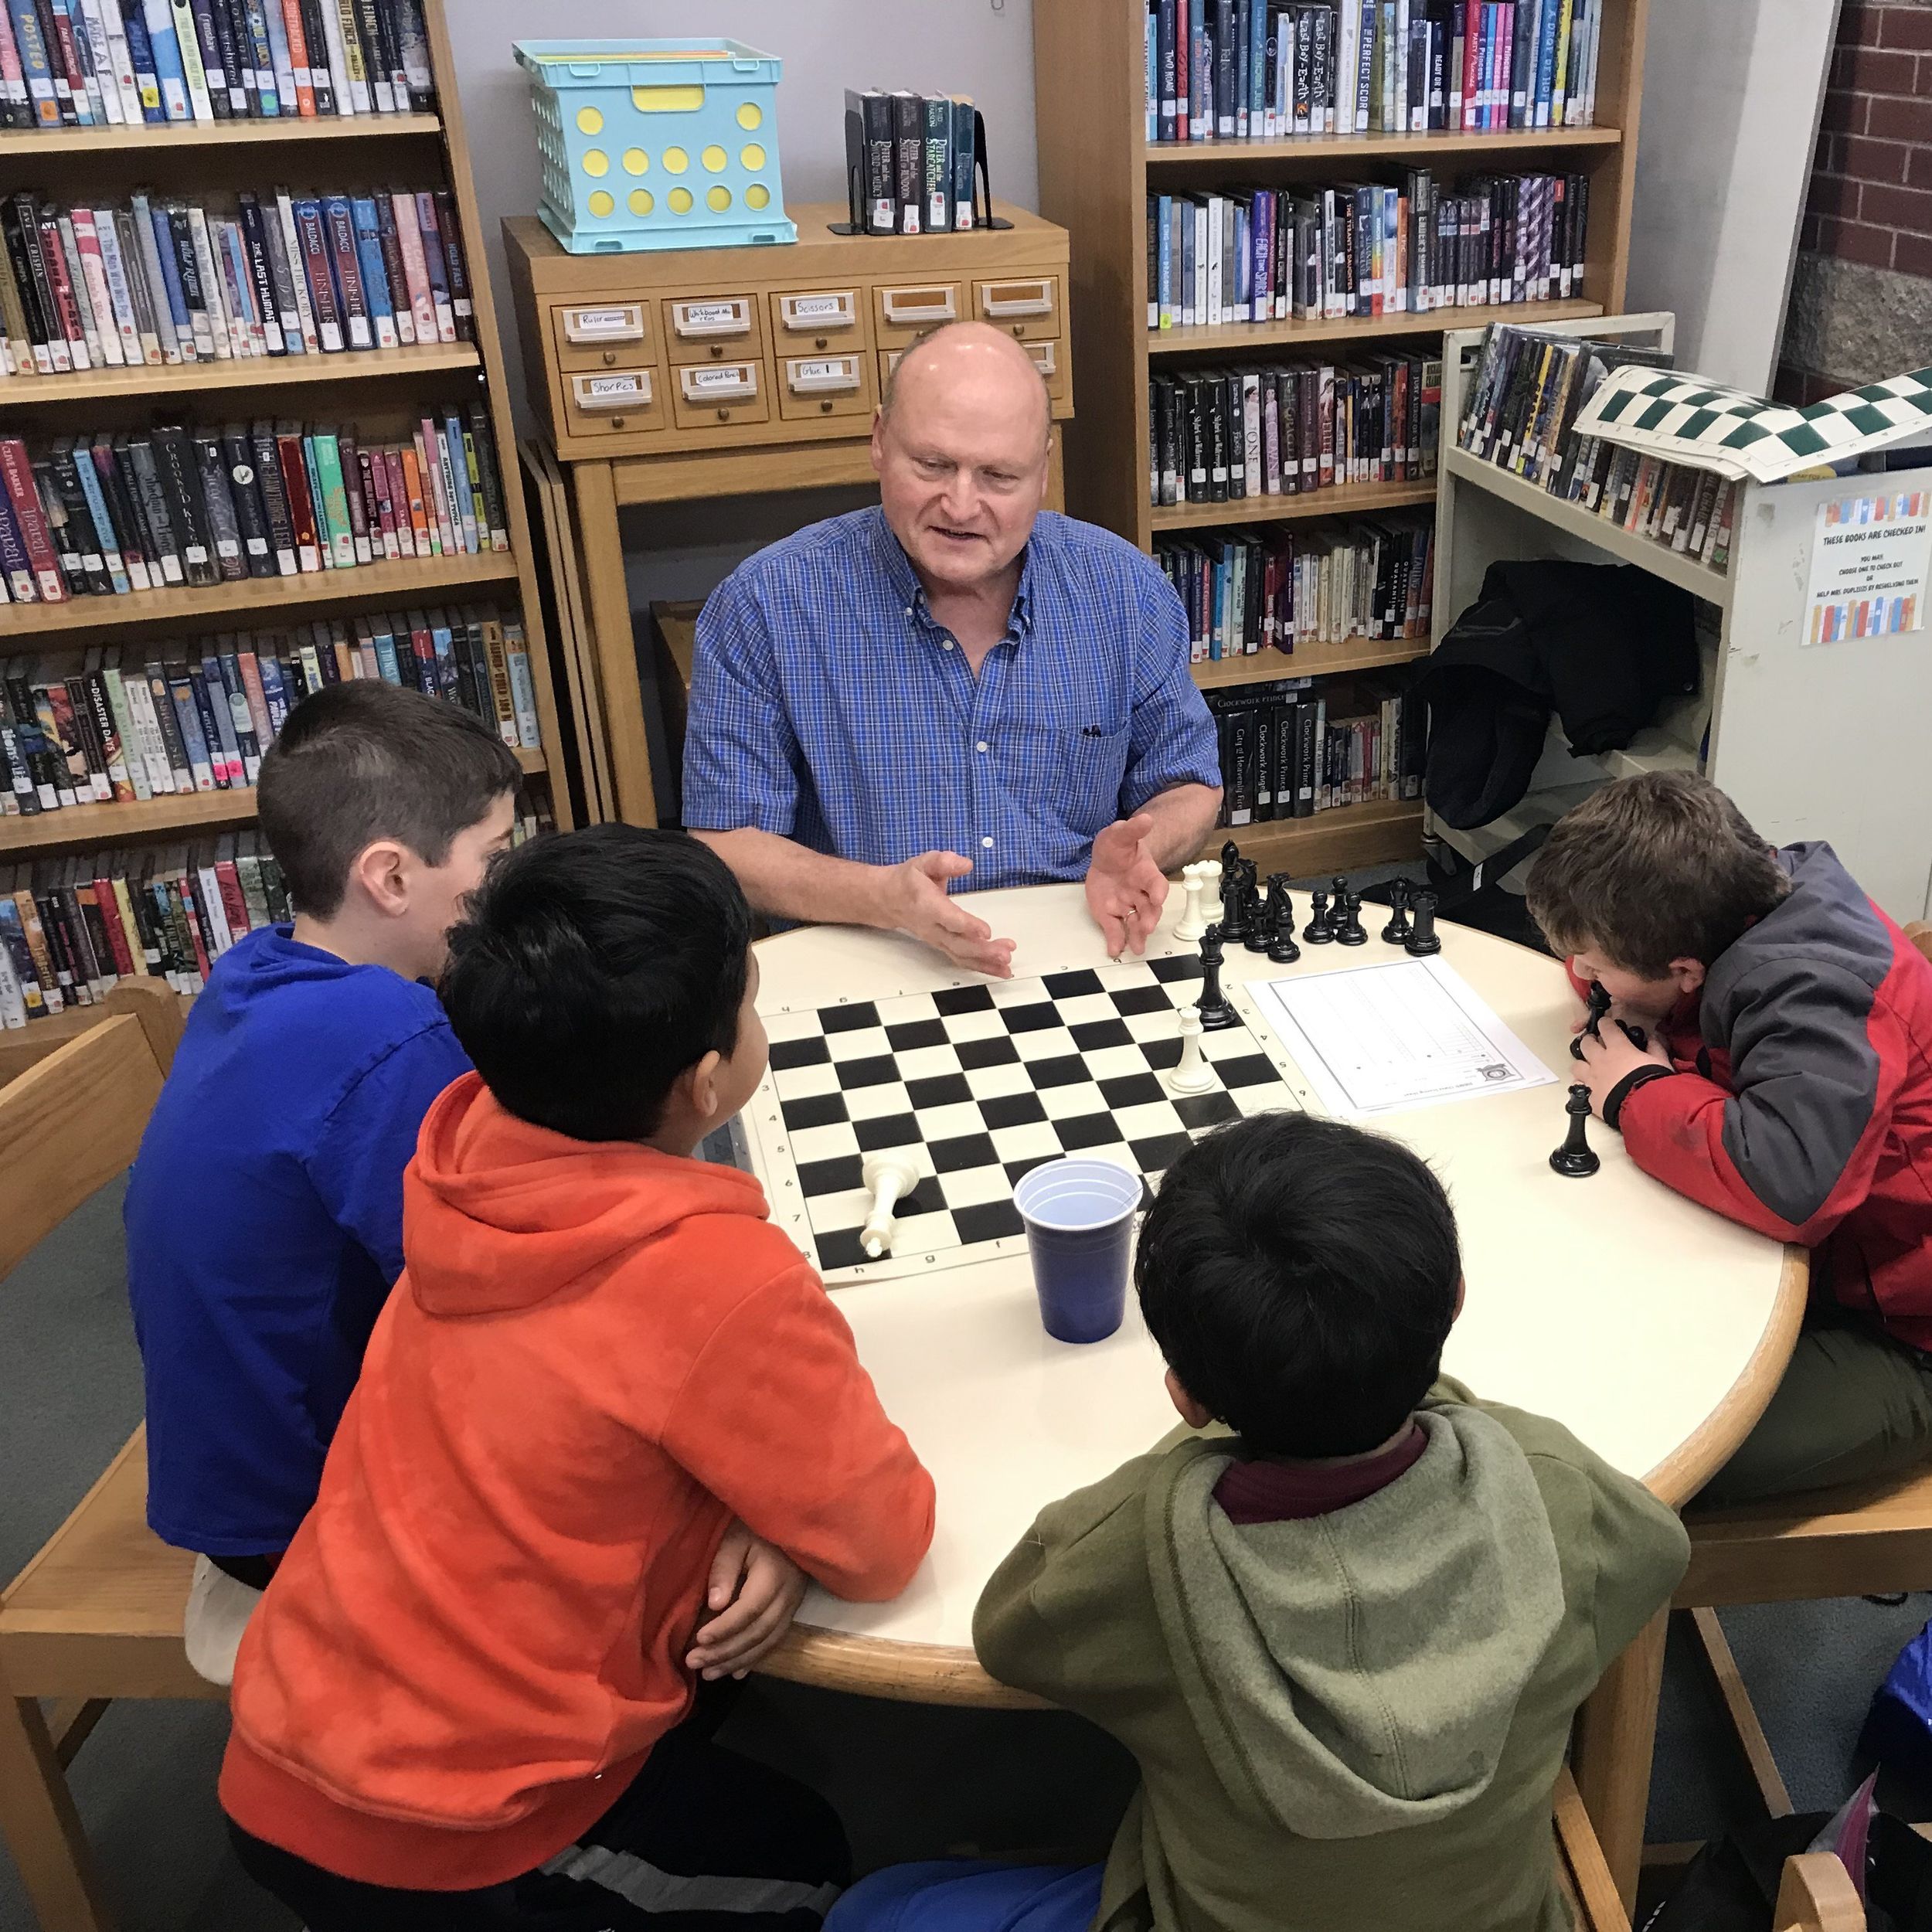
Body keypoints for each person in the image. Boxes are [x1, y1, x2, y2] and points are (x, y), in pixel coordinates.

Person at [220, 824, 935, 1931]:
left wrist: (754, 1502)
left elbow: (591, 1401)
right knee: (805, 1856)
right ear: (707, 1085)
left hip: (291, 1720)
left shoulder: (460, 1153)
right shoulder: (715, 1281)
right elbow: (885, 1540)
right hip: (445, 1836)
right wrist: (785, 1516)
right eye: (748, 1003)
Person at [825, 1114, 1688, 1932]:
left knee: (879, 1907)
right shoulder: (1555, 1489)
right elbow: (1657, 1551)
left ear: (1187, 1396)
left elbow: (1009, 1632)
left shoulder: (1133, 1550)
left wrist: (1201, 1432)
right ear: (1454, 1303)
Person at [123, 681, 520, 1683]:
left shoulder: (258, 967)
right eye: (493, 861)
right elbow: (496, 1296)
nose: (505, 889)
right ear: (390, 876)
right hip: (299, 1519)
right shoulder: (392, 1042)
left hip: (221, 1473)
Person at [682, 318, 1222, 976]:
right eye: (933, 465)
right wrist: (881, 897)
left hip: (1085, 942)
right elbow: (725, 843)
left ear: (1044, 470)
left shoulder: (1124, 588)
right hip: (868, 956)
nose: (961, 505)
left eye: (998, 476)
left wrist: (1144, 845)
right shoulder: (766, 605)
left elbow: (1189, 781)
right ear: (879, 439)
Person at [1528, 770, 1932, 1506]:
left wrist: (1636, 1089)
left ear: (1683, 969)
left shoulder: (1818, 991)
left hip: (1905, 1332)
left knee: (1622, 1471)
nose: (1581, 977)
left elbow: (1789, 1186)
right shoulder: (1731, 908)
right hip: (1832, 1263)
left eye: (1597, 967)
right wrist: (1617, 987)